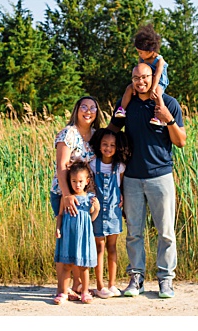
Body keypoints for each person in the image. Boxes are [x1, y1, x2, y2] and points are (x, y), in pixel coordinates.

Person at [112, 62, 186, 299]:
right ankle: (136, 278)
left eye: (144, 77)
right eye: (135, 78)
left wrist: (168, 119)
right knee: (134, 232)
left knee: (165, 232)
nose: (140, 81)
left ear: (153, 77)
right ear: (131, 80)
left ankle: (165, 280)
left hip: (160, 176)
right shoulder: (127, 104)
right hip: (132, 178)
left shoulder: (169, 103)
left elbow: (181, 141)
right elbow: (112, 131)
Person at [49, 96, 100, 300]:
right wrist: (68, 195)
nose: (88, 111)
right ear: (77, 110)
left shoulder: (96, 135)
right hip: (65, 194)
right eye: (84, 107)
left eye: (93, 108)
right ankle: (62, 288)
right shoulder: (68, 134)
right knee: (66, 242)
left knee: (82, 241)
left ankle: (79, 287)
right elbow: (61, 166)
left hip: (87, 197)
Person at [53, 160, 100, 305]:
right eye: (74, 181)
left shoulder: (90, 198)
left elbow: (92, 217)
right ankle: (64, 292)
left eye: (80, 181)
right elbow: (60, 215)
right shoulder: (65, 198)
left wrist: (96, 209)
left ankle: (85, 292)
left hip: (83, 235)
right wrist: (58, 228)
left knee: (83, 266)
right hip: (68, 234)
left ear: (87, 181)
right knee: (67, 264)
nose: (77, 184)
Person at [90, 127, 129, 299]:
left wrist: (121, 197)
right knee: (99, 247)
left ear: (117, 147)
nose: (108, 148)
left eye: (112, 145)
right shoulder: (93, 164)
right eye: (105, 144)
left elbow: (120, 186)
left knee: (112, 248)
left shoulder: (120, 166)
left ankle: (112, 284)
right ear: (99, 145)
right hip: (97, 212)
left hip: (113, 211)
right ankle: (100, 286)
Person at [114, 24, 170, 126]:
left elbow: (157, 75)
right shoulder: (143, 58)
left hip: (158, 81)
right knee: (129, 88)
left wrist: (153, 88)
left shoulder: (159, 60)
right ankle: (122, 109)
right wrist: (135, 85)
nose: (140, 55)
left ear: (150, 51)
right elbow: (138, 71)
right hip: (144, 80)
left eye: (141, 52)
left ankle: (160, 115)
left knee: (157, 91)